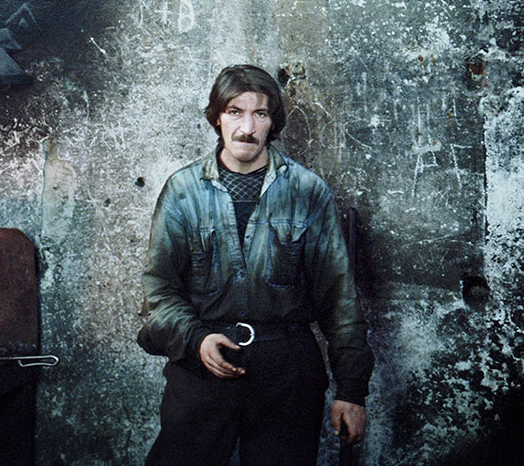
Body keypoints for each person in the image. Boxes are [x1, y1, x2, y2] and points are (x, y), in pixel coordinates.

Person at [137, 64, 374, 466]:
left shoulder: (306, 191)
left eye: (259, 114)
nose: (247, 127)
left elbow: (339, 297)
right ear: (217, 117)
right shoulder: (182, 191)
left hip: (287, 372)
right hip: (202, 368)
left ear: (272, 122)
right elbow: (158, 291)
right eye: (234, 112)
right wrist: (197, 340)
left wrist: (351, 390)